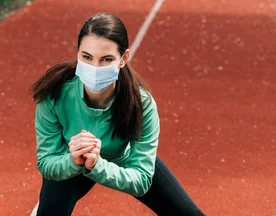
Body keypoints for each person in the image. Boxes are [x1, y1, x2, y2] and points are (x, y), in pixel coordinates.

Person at [29, 13, 204, 216]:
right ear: (77, 54)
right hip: (72, 163)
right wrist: (72, 160)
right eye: (87, 57)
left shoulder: (141, 103)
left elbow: (141, 180)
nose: (95, 67)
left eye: (106, 59)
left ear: (123, 59)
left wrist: (98, 165)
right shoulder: (54, 95)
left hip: (122, 159)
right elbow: (46, 162)